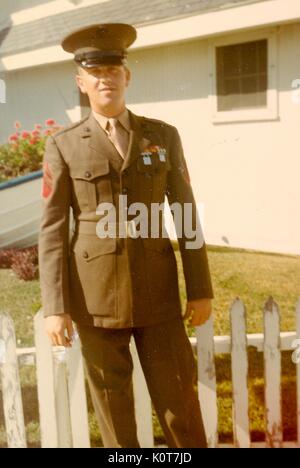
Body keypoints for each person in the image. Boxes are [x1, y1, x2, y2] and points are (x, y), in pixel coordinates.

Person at [39, 23, 214, 448]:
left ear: (127, 76)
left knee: (180, 407)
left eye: (113, 70)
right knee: (116, 419)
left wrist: (200, 288)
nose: (106, 80)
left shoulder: (162, 136)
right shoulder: (63, 145)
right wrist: (55, 308)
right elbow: (53, 231)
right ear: (81, 83)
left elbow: (184, 213)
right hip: (95, 301)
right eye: (95, 73)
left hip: (158, 297)